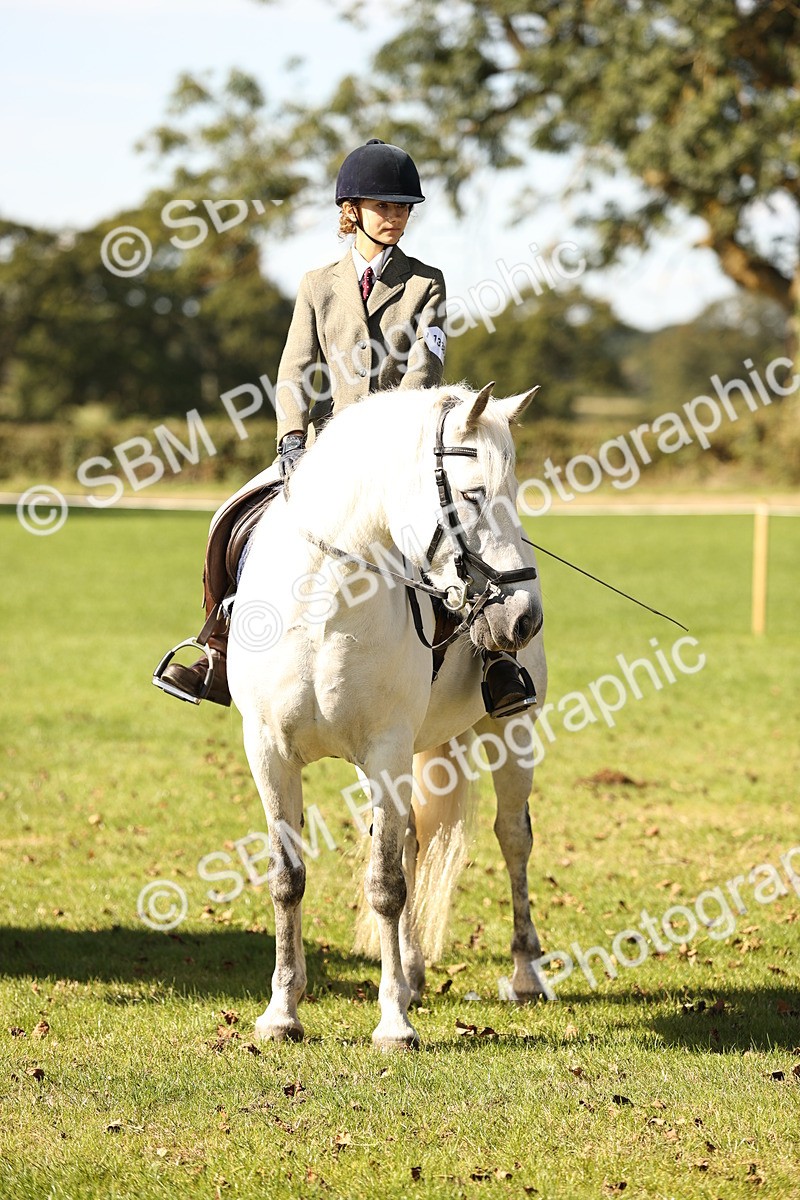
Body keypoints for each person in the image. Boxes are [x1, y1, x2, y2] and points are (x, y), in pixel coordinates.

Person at [153, 139, 535, 718]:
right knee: (227, 518)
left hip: (400, 451)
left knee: (453, 537)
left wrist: (387, 445)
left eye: (404, 208)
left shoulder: (424, 283)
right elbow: (294, 370)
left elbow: (424, 373)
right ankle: (216, 651)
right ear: (351, 210)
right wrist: (290, 437)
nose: (397, 217)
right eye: (385, 206)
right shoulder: (317, 284)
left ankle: (493, 663)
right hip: (322, 450)